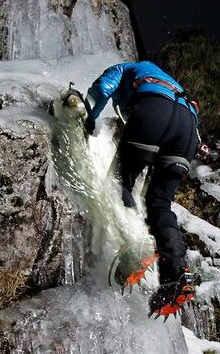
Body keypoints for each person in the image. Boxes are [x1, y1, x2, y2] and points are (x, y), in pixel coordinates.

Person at [83, 60, 200, 318]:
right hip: (189, 127)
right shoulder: (169, 80)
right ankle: (176, 274)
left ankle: (136, 243)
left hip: (154, 111)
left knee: (118, 182)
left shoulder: (127, 67)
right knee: (160, 203)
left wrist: (88, 119)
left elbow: (103, 89)